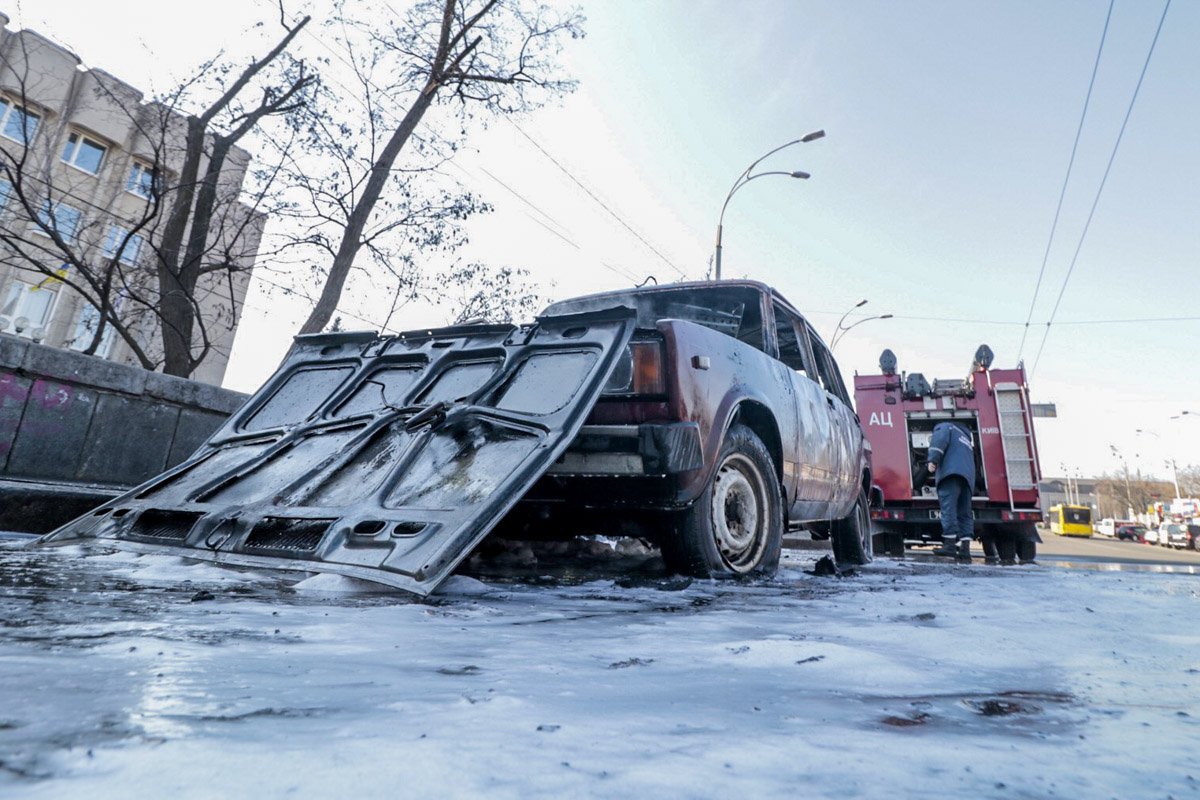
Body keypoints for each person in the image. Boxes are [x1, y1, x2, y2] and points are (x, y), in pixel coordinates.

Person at [927, 421, 976, 562]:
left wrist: (932, 460)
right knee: (965, 513)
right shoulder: (965, 438)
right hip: (967, 478)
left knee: (949, 509)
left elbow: (939, 440)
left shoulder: (945, 427)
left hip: (950, 473)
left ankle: (949, 545)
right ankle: (965, 550)